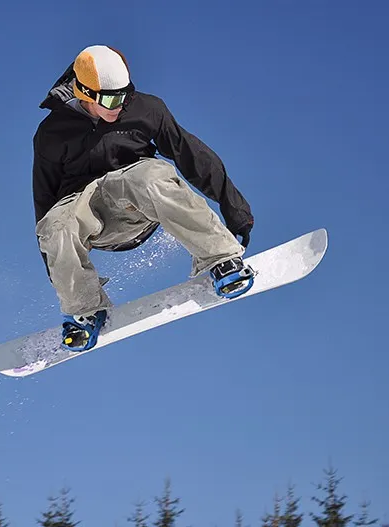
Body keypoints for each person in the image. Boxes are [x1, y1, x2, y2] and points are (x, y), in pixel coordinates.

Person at [32, 44, 255, 352]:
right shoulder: (51, 134)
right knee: (55, 225)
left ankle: (221, 258)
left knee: (151, 176)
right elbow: (44, 200)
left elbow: (192, 155)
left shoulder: (146, 110)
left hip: (136, 201)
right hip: (92, 217)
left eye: (124, 95)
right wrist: (57, 268)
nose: (119, 106)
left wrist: (235, 209)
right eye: (111, 99)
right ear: (85, 93)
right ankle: (85, 310)